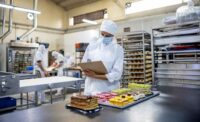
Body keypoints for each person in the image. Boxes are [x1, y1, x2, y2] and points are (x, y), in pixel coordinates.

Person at [82, 20, 124, 95]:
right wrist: (85, 70)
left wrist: (95, 75)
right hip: (91, 89)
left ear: (113, 35)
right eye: (102, 34)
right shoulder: (92, 45)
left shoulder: (118, 49)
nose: (104, 37)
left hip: (108, 90)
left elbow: (116, 74)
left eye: (107, 36)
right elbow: (84, 62)